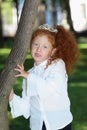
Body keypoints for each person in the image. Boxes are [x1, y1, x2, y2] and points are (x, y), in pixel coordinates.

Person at [9, 24, 79, 130]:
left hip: (59, 124)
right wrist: (11, 96)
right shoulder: (29, 74)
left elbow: (49, 87)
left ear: (53, 51)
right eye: (35, 44)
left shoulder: (57, 65)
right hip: (38, 126)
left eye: (45, 46)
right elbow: (27, 107)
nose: (38, 49)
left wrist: (28, 76)